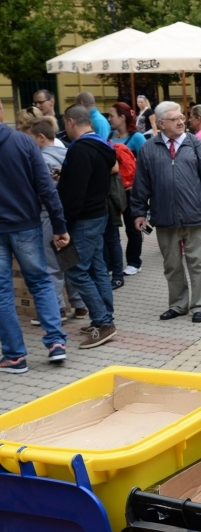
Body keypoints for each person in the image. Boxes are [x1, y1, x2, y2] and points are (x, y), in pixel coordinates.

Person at [130, 102, 201, 324]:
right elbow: (141, 183)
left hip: (195, 215)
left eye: (182, 117)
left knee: (197, 263)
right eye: (174, 119)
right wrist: (139, 212)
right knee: (171, 265)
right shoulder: (149, 149)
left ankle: (200, 305)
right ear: (161, 124)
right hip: (164, 217)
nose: (181, 122)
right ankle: (179, 304)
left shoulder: (195, 144)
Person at [0, 101, 70, 372]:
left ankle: (15, 356)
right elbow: (46, 188)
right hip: (27, 225)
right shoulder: (24, 143)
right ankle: (56, 343)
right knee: (41, 282)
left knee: (3, 292)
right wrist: (60, 226)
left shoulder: (22, 142)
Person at [59, 104, 118, 349]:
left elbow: (76, 191)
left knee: (75, 270)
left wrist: (63, 223)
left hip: (83, 219)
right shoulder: (102, 145)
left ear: (71, 122)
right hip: (98, 214)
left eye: (65, 124)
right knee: (97, 268)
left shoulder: (80, 149)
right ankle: (104, 318)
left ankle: (103, 322)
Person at [25, 117, 88, 323]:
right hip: (67, 217)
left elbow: (42, 192)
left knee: (51, 265)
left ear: (41, 138)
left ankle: (58, 310)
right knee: (68, 262)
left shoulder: (41, 160)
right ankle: (79, 306)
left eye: (30, 139)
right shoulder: (69, 153)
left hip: (48, 217)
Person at [105, 102, 145, 289]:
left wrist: (138, 186)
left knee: (132, 226)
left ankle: (134, 262)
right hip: (113, 190)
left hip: (131, 191)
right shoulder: (110, 136)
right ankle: (113, 262)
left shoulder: (136, 138)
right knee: (112, 227)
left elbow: (147, 163)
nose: (109, 118)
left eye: (112, 115)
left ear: (122, 117)